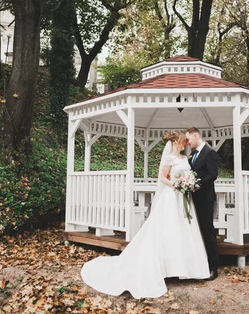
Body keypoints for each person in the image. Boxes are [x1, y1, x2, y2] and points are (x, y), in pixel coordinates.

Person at [80, 131, 210, 299]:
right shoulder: (170, 158)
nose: (184, 143)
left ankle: (184, 269)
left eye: (185, 141)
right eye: (181, 141)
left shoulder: (186, 159)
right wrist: (177, 185)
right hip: (172, 197)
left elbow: (188, 174)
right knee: (168, 230)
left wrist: (189, 183)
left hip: (184, 198)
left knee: (185, 230)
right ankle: (166, 268)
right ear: (175, 142)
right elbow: (163, 178)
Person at [185, 127, 219, 280]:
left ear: (196, 135)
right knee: (196, 231)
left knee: (207, 231)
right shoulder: (192, 154)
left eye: (189, 139)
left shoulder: (209, 152)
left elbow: (213, 174)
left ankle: (213, 268)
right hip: (194, 199)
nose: (187, 142)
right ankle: (200, 264)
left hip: (205, 198)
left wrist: (196, 184)